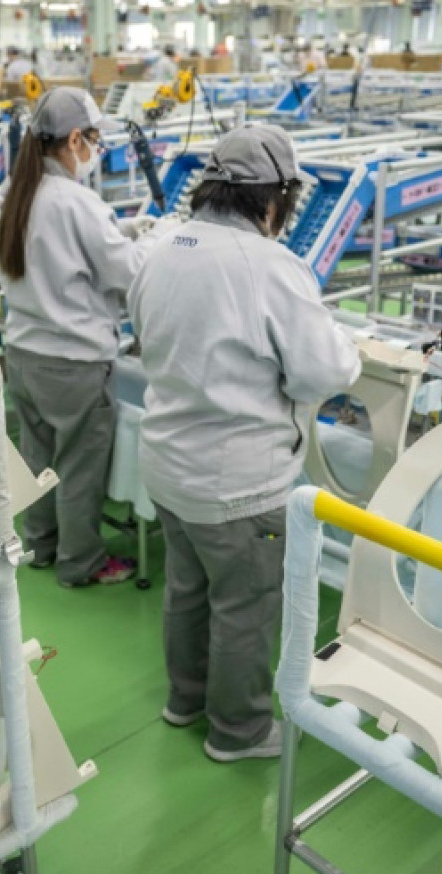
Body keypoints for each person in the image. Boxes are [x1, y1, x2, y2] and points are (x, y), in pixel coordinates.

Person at [128, 124, 361, 762]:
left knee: (188, 588)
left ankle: (187, 698)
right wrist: (348, 349)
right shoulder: (268, 266)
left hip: (169, 464)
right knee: (245, 606)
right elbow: (322, 371)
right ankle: (239, 731)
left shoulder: (163, 246)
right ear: (273, 198)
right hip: (237, 481)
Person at [0, 87, 166, 588]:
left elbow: (79, 251)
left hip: (24, 355)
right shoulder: (75, 201)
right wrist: (156, 237)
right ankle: (82, 563)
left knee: (40, 459)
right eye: (94, 140)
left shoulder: (23, 191)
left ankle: (43, 546)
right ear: (74, 140)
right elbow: (129, 272)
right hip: (72, 363)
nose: (96, 151)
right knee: (79, 470)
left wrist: (126, 228)